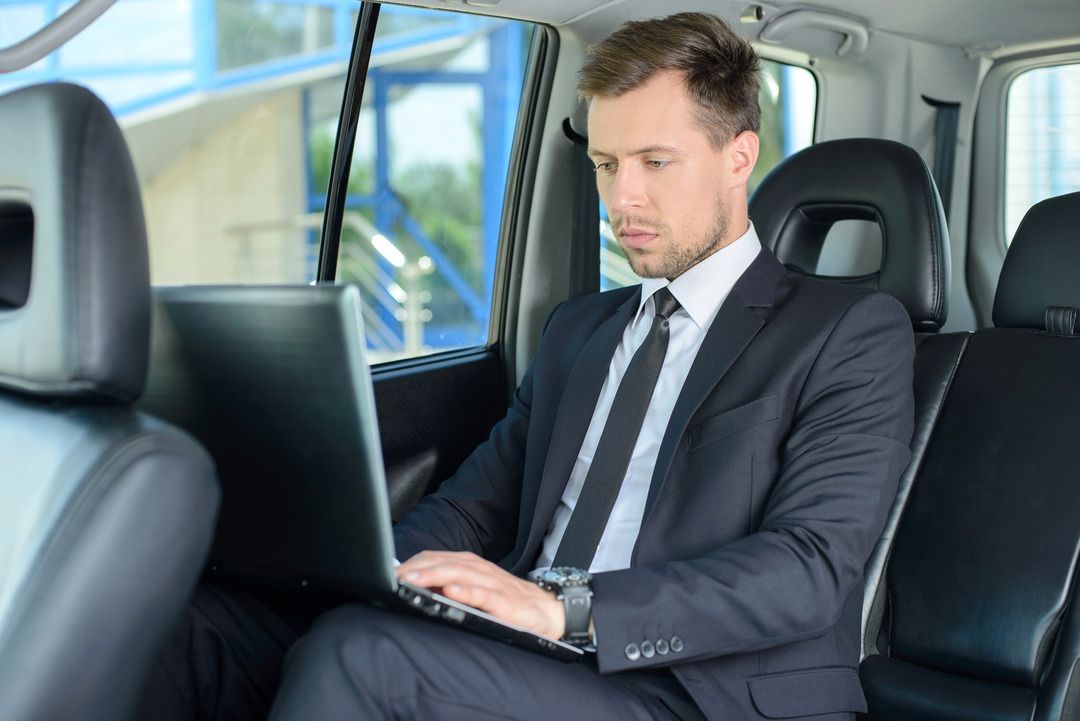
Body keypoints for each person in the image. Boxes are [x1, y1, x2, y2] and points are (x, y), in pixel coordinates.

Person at [259, 11, 915, 721]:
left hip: (700, 691)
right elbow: (472, 508)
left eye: (654, 162)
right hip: (538, 658)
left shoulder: (846, 332)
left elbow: (806, 568)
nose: (621, 197)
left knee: (360, 656)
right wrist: (374, 572)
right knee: (215, 630)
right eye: (606, 165)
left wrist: (563, 608)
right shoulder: (580, 331)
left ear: (738, 156)